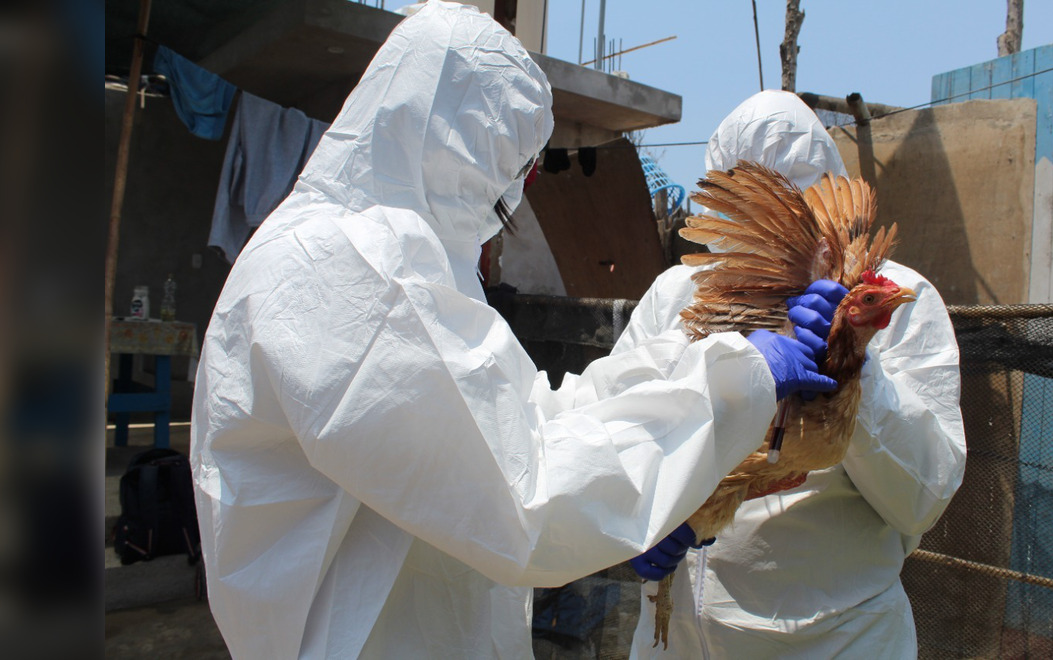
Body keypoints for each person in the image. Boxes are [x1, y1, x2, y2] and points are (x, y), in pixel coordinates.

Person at [189, 4, 834, 658]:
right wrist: (737, 381)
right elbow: (526, 496)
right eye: (510, 164)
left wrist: (695, 374)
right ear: (453, 135)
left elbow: (524, 419)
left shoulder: (398, 256)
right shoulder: (351, 268)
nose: (517, 194)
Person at [618, 90, 968, 658]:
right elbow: (623, 424)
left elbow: (923, 496)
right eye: (752, 212)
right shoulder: (676, 295)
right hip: (675, 635)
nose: (771, 236)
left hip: (835, 641)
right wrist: (631, 517)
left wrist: (850, 352)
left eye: (790, 214)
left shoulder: (897, 299)